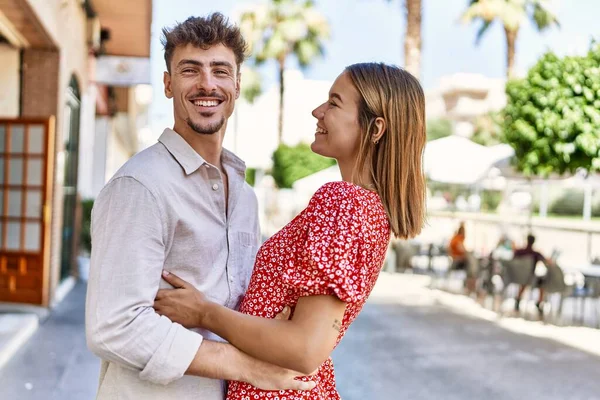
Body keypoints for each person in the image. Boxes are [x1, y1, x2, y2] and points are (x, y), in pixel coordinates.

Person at [153, 62, 428, 400]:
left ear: (376, 128)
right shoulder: (369, 209)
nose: (318, 111)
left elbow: (305, 348)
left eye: (334, 102)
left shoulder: (344, 202)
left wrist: (204, 312)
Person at [85, 14, 315, 400]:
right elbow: (114, 326)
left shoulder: (246, 197)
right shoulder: (139, 186)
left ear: (237, 85)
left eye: (220, 71)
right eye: (190, 70)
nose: (207, 83)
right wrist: (245, 365)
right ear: (168, 84)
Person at [513, 234, 549, 314]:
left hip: (517, 276)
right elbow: (546, 262)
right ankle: (539, 302)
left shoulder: (519, 251)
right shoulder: (536, 254)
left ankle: (518, 298)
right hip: (529, 278)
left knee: (524, 281)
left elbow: (513, 260)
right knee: (541, 282)